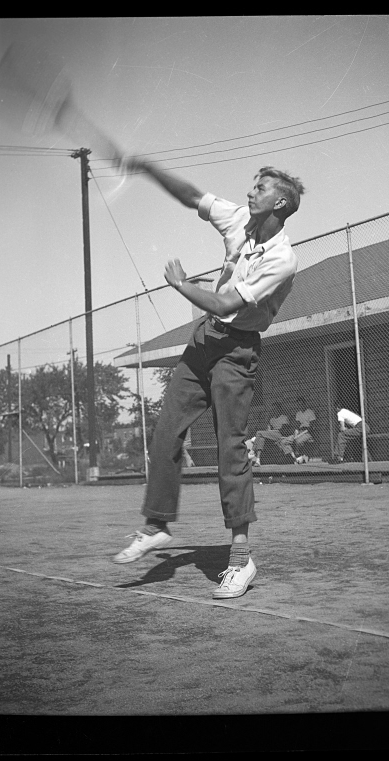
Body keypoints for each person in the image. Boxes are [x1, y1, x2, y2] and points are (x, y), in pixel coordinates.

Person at [112, 157, 305, 599]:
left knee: (230, 447)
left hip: (236, 352)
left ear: (280, 201)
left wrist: (181, 285)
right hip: (204, 342)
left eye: (260, 188)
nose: (250, 192)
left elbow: (223, 305)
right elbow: (191, 196)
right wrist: (147, 169)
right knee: (166, 430)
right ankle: (156, 526)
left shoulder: (282, 258)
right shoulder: (240, 219)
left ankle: (240, 559)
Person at [280, 396, 316, 463]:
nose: (300, 406)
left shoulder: (310, 412)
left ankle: (298, 456)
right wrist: (295, 434)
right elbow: (297, 426)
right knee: (283, 441)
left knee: (297, 441)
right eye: (299, 405)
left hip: (308, 433)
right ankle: (294, 457)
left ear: (304, 404)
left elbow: (312, 427)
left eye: (301, 404)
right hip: (300, 431)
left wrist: (299, 435)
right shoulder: (298, 413)